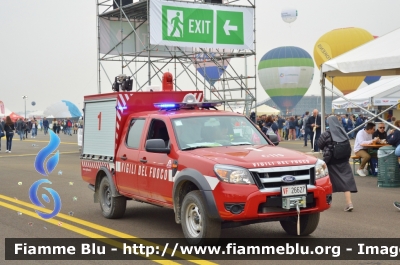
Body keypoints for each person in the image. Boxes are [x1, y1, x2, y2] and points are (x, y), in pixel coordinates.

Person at [318, 115, 357, 212]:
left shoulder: (327, 134)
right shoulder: (343, 132)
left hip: (331, 161)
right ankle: (349, 203)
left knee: (328, 182)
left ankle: (326, 202)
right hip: (343, 160)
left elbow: (319, 144)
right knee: (346, 182)